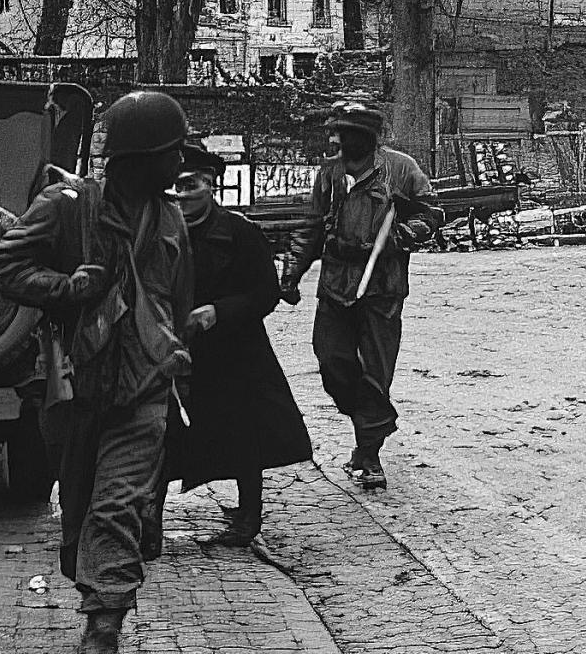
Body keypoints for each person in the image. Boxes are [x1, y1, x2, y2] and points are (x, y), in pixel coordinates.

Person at [0, 91, 194, 654]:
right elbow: (4, 263)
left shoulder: (171, 216)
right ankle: (97, 586)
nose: (181, 162)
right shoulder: (67, 206)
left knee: (116, 503)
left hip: (144, 390)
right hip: (76, 387)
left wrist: (178, 366)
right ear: (141, 157)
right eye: (173, 151)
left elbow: (178, 302)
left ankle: (104, 624)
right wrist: (67, 288)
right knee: (78, 505)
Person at [282, 102, 441, 491]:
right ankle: (377, 420)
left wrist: (398, 237)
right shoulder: (330, 175)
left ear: (369, 138)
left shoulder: (401, 170)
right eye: (339, 132)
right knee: (332, 363)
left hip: (381, 290)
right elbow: (311, 225)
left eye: (350, 133)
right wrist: (292, 273)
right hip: (336, 287)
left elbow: (431, 214)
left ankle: (368, 454)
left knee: (375, 373)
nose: (341, 139)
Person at [165, 143, 311, 564]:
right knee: (163, 431)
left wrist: (218, 312)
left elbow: (265, 294)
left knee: (245, 432)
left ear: (211, 186)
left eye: (190, 185)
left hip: (233, 351)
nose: (181, 195)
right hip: (172, 347)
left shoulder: (239, 233)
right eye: (175, 186)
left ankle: (249, 518)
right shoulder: (159, 231)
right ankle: (147, 521)